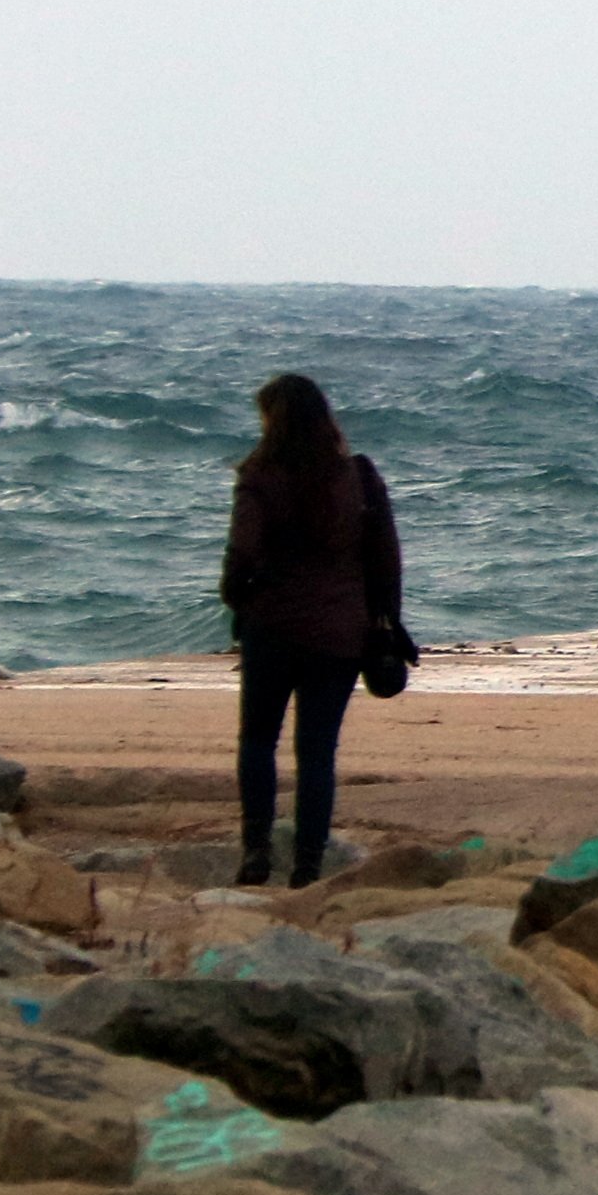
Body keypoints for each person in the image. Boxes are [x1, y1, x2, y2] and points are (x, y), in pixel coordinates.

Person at [219, 372, 401, 889]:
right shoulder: (356, 476)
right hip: (339, 634)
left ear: (271, 422)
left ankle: (256, 853)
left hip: (271, 627)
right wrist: (386, 622)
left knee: (258, 739)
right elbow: (386, 559)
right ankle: (307, 866)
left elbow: (243, 551)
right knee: (317, 752)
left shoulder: (259, 476)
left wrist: (239, 596)